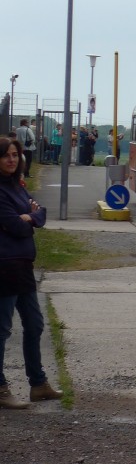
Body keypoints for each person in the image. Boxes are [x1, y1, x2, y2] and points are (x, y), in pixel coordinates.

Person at [0, 137, 62, 408]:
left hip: (23, 266)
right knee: (2, 330)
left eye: (15, 155)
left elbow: (41, 213)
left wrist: (30, 217)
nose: (12, 160)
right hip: (4, 266)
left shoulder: (18, 186)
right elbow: (14, 226)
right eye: (6, 155)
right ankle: (1, 389)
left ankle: (38, 384)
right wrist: (27, 218)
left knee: (35, 325)